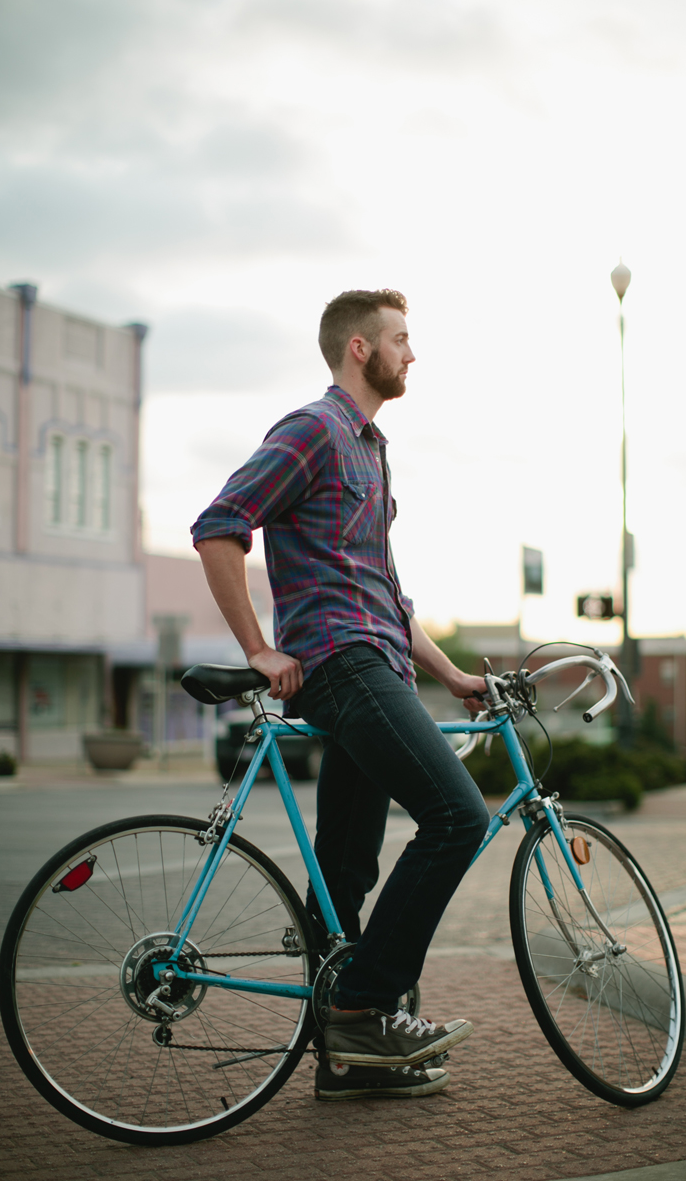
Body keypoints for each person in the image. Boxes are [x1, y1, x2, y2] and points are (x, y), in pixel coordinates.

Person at [191, 289, 490, 1101]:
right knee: (462, 816)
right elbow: (219, 524)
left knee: (347, 870)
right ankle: (365, 1002)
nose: (411, 353)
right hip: (340, 664)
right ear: (360, 349)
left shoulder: (371, 447)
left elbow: (385, 593)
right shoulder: (312, 429)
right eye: (400, 339)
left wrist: (451, 674)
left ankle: (349, 1058)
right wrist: (258, 646)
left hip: (379, 662)